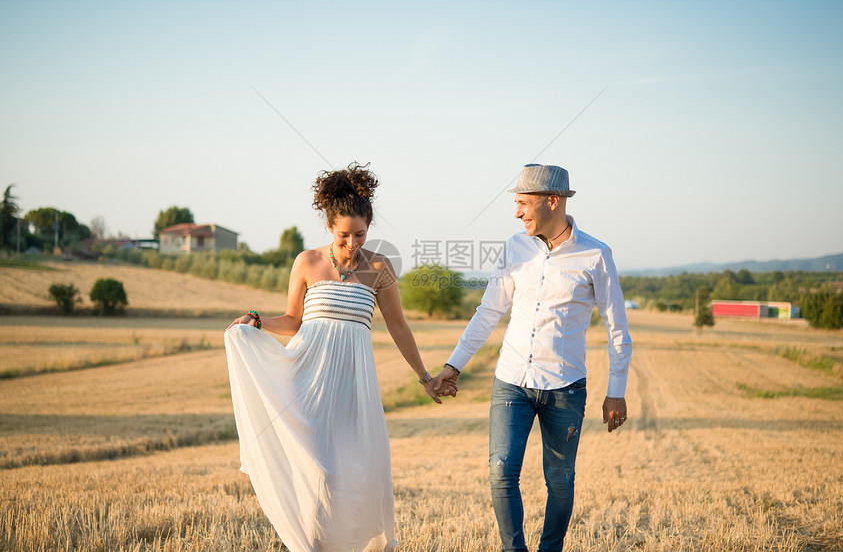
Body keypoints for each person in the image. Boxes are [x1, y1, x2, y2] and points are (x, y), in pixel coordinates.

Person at [224, 163, 455, 552]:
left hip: (354, 387)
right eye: (344, 234)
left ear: (369, 227)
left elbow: (399, 328)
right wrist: (257, 320)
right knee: (318, 476)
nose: (352, 243)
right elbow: (295, 321)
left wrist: (424, 376)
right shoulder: (307, 262)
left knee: (359, 474)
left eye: (360, 234)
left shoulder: (380, 268)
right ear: (330, 227)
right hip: (308, 381)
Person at [434, 163, 633, 552]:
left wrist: (617, 391)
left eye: (524, 203)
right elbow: (488, 312)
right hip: (512, 381)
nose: (517, 212)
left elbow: (617, 329)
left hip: (565, 388)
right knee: (500, 470)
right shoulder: (515, 247)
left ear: (552, 201)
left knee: (559, 479)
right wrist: (452, 366)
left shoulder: (596, 254)